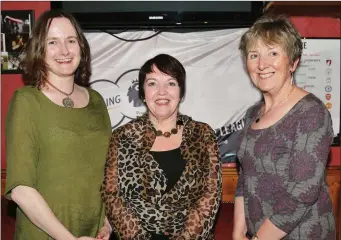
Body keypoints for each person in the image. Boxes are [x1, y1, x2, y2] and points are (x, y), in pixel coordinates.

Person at [5, 10, 112, 240]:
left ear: (81, 48)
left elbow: (107, 172)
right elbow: (21, 189)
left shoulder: (97, 101)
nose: (64, 50)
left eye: (71, 40)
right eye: (53, 42)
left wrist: (108, 221)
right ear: (39, 49)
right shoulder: (26, 101)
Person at [233, 14, 336, 240]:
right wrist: (238, 233)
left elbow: (303, 193)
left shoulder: (311, 112)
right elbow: (245, 177)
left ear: (293, 62)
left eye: (273, 53)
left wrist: (259, 239)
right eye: (254, 55)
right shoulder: (252, 114)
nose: (262, 64)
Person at [101, 53, 222, 240]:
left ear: (181, 93)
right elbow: (112, 196)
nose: (162, 91)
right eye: (152, 83)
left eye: (171, 83)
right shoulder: (121, 137)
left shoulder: (203, 135)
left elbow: (210, 197)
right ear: (142, 93)